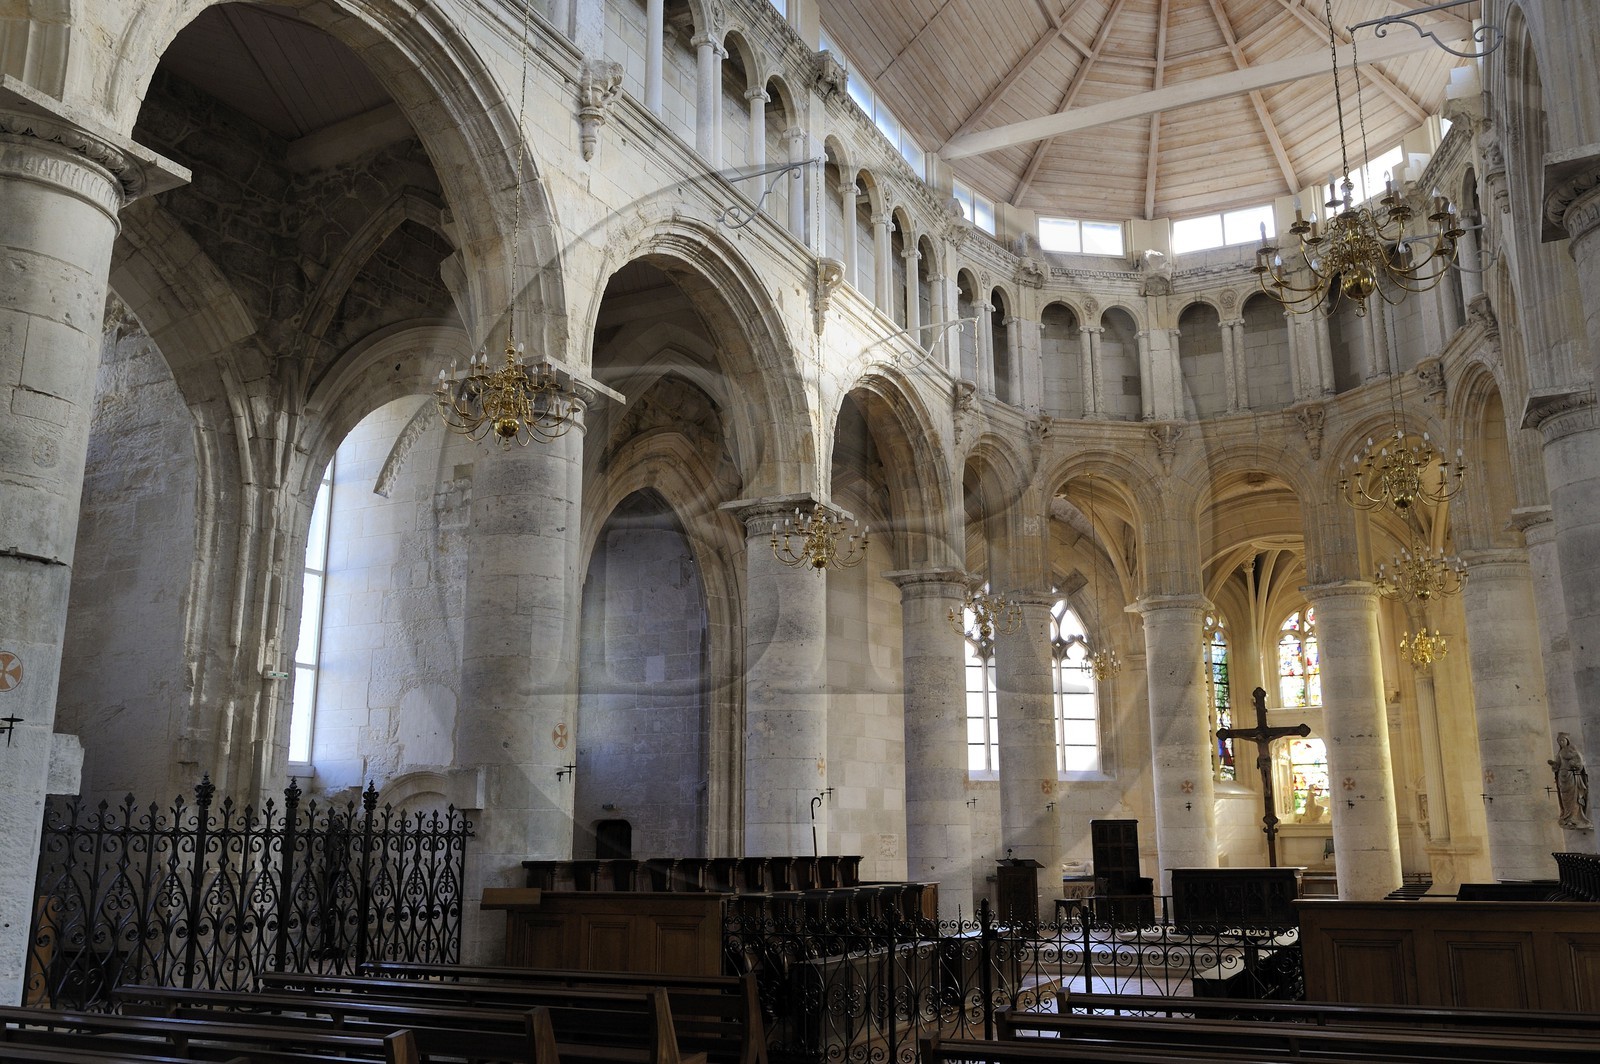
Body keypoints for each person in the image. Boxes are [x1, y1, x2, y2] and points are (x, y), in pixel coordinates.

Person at [1549, 732, 1592, 831]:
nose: (1561, 742)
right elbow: (1557, 765)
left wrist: (1574, 764)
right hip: (1562, 777)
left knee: (1574, 797)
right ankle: (1567, 816)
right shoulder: (1560, 753)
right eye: (1560, 741)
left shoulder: (1572, 750)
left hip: (1571, 776)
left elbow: (1580, 762)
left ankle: (1577, 818)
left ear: (1567, 741)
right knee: (1565, 799)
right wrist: (1553, 764)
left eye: (1563, 740)